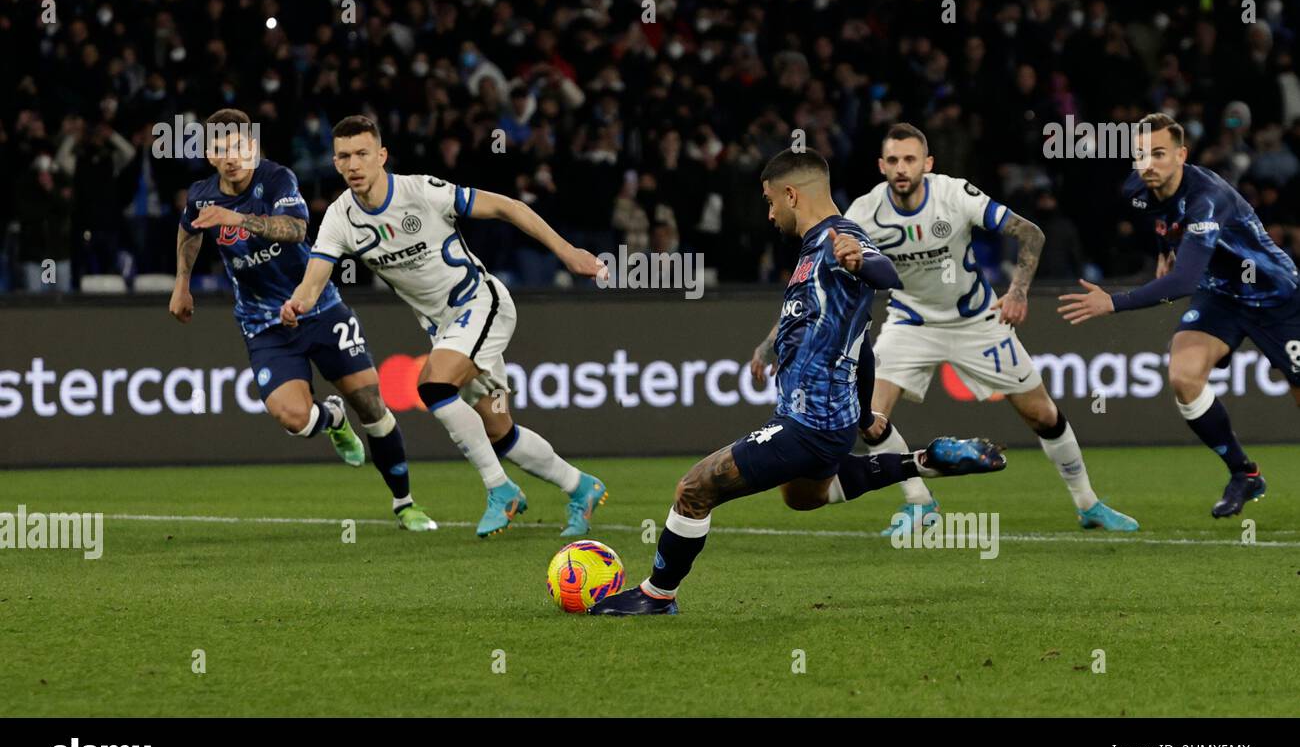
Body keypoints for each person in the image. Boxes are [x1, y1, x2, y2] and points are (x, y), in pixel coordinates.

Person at [591, 148, 1006, 616]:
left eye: (770, 202)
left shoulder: (838, 236)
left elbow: (885, 273)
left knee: (694, 488)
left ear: (791, 194)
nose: (769, 214)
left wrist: (863, 263)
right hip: (830, 418)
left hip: (810, 422)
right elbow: (861, 340)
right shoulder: (814, 250)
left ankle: (656, 595)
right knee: (803, 497)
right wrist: (864, 411)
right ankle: (924, 461)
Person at [284, 115, 608, 538]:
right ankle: (580, 486)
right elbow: (313, 282)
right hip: (445, 329)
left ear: (382, 156)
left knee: (433, 386)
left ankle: (500, 490)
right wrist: (297, 303)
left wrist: (569, 254)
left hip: (481, 305)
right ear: (335, 161)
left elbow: (508, 207)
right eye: (344, 156)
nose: (353, 164)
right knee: (499, 431)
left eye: (363, 153)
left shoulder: (423, 191)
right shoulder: (339, 219)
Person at [819, 123, 1136, 533]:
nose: (902, 168)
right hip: (910, 323)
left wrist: (1018, 291)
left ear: (927, 163)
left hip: (977, 322)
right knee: (871, 417)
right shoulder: (864, 212)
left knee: (1042, 415)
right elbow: (830, 274)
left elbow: (1030, 233)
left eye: (910, 159)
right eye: (893, 160)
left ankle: (1088, 504)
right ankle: (920, 504)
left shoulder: (954, 194)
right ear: (881, 165)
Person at [169, 108, 436, 532]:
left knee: (372, 405)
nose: (231, 156)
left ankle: (405, 503)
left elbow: (295, 229)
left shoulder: (276, 179)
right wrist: (182, 282)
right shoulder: (202, 195)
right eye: (220, 149)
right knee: (295, 419)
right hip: (263, 323)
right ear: (209, 154)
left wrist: (236, 218)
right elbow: (189, 229)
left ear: (252, 147)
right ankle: (331, 418)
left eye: (239, 146)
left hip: (319, 308)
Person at [1059, 112, 1300, 517]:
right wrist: (1164, 250)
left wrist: (1113, 301)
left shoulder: (1208, 197)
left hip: (1276, 296)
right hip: (1221, 295)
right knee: (1183, 376)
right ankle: (1245, 473)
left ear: (1181, 154)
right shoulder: (1138, 188)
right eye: (1140, 155)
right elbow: (1164, 223)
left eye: (1159, 154)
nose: (1148, 163)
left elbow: (1184, 282)